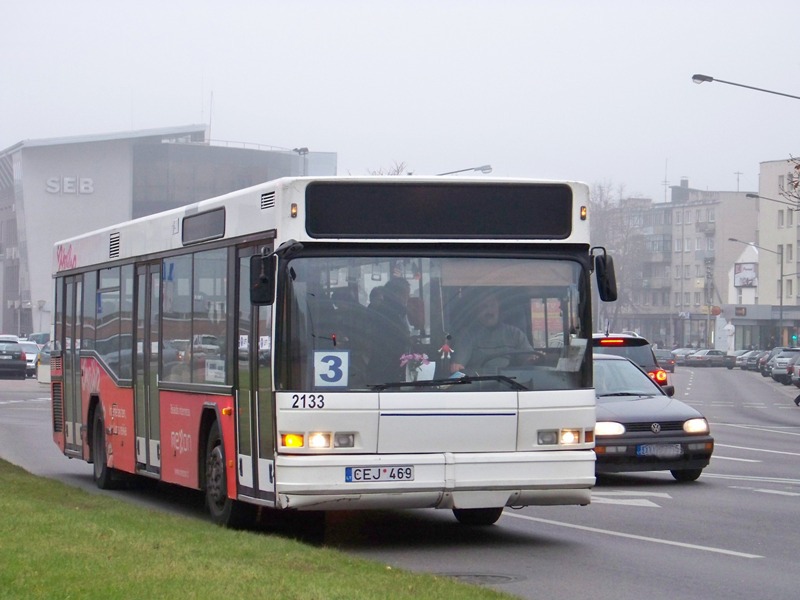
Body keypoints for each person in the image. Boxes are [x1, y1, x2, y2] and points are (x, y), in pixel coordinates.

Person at [450, 292, 539, 373]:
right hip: (479, 386)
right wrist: (457, 367)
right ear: (476, 310)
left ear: (498, 308)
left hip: (514, 384)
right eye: (484, 306)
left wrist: (533, 359)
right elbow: (459, 366)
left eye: (492, 305)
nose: (489, 311)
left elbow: (528, 359)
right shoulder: (467, 335)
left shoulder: (515, 333)